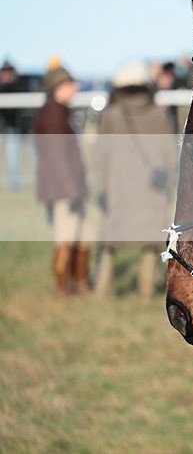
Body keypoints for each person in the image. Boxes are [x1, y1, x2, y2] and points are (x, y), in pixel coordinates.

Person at [93, 61, 177, 299]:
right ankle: (145, 293)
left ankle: (102, 291)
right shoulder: (158, 117)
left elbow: (101, 156)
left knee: (109, 243)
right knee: (150, 244)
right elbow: (170, 156)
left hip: (117, 189)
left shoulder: (112, 116)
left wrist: (101, 188)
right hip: (151, 190)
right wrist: (169, 184)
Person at [33, 60, 91, 295]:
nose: (75, 89)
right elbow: (57, 160)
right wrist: (73, 191)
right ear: (60, 86)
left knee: (83, 235)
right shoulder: (53, 116)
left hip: (68, 187)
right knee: (66, 237)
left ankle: (80, 284)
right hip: (64, 190)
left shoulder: (57, 113)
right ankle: (63, 289)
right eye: (71, 84)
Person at [1, 60, 25, 189]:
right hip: (11, 127)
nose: (6, 75)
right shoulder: (2, 87)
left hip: (25, 127)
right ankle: (15, 184)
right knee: (12, 153)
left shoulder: (20, 84)